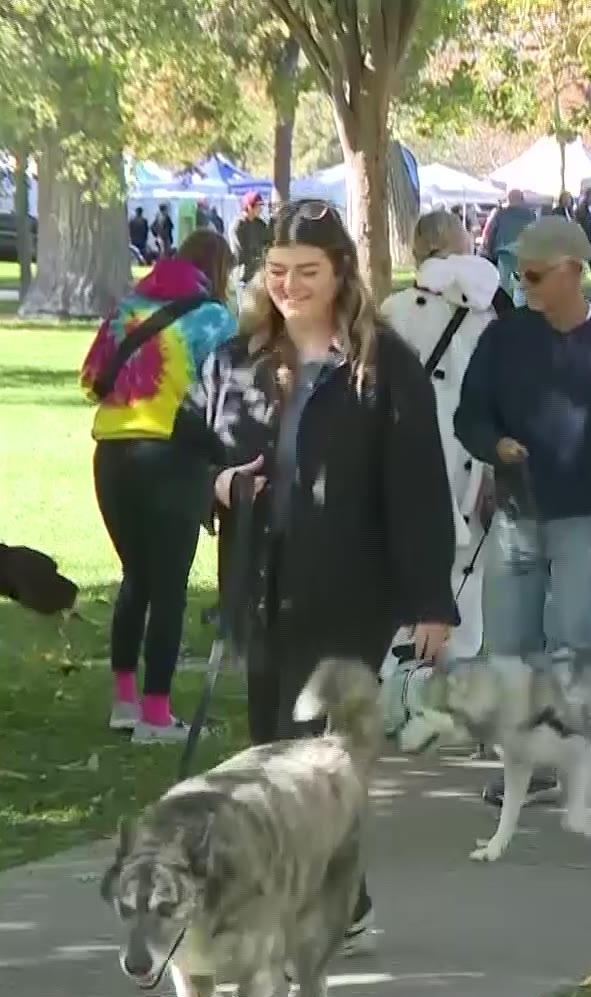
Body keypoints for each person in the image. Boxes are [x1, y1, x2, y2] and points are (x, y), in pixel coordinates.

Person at [172, 198, 457, 951]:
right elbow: (183, 456)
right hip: (259, 585)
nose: (290, 286)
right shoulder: (231, 363)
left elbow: (420, 487)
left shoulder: (383, 367)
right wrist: (224, 485)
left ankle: (314, 908)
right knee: (271, 750)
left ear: (341, 276)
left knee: (314, 758)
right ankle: (341, 899)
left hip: (350, 594)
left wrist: (432, 598)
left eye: (307, 272)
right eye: (276, 272)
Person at [455, 216, 591, 807]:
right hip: (519, 514)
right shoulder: (505, 339)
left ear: (574, 271)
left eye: (536, 274)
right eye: (519, 273)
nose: (525, 284)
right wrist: (495, 446)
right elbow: (470, 415)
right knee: (511, 648)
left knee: (573, 637)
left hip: (585, 516)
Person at [80, 229, 239, 743]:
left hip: (110, 454)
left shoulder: (128, 307)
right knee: (169, 588)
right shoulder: (214, 318)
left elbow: (90, 380)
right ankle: (156, 714)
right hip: (172, 456)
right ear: (217, 270)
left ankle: (124, 702)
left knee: (136, 579)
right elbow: (229, 392)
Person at [379, 210, 506, 663]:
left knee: (409, 558)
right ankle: (455, 672)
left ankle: (403, 673)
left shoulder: (393, 312)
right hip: (469, 452)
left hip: (410, 451)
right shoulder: (487, 313)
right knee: (467, 567)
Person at [233, 192, 270, 287]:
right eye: (259, 205)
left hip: (260, 274)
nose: (261, 209)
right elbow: (239, 253)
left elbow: (267, 245)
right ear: (250, 207)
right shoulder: (238, 225)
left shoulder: (260, 225)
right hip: (244, 277)